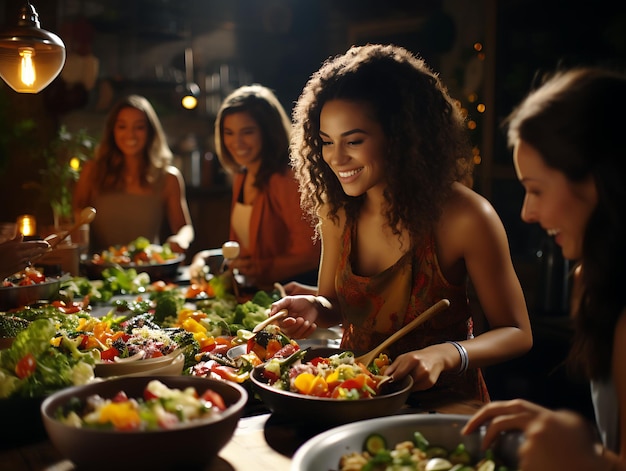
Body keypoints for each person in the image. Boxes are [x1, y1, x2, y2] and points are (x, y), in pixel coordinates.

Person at [268, 44, 532, 403]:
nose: (336, 157)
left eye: (354, 141)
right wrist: (316, 308)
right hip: (352, 399)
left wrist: (448, 353)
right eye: (326, 142)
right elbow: (335, 304)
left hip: (443, 408)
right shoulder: (337, 212)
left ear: (402, 134)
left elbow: (516, 331)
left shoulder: (464, 216)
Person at [462, 67, 626, 470]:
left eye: (535, 189)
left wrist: (586, 458)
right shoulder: (592, 279)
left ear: (598, 183)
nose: (527, 213)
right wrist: (548, 427)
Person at [189, 84, 320, 291]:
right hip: (257, 292)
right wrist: (204, 257)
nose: (236, 142)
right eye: (229, 133)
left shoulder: (287, 179)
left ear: (268, 132)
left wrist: (260, 268)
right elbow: (246, 253)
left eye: (247, 132)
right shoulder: (242, 174)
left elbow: (311, 256)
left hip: (292, 294)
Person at [73, 94, 194, 254]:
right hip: (99, 271)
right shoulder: (92, 171)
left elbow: (185, 228)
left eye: (139, 127)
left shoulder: (169, 178)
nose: (130, 134)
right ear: (112, 131)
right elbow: (75, 220)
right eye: (122, 126)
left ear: (150, 132)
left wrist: (181, 239)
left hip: (149, 271)